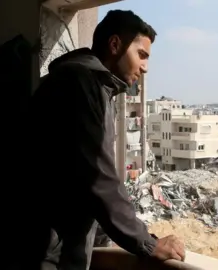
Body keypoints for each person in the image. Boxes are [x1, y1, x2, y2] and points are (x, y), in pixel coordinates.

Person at [29, 10, 185, 270]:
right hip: (45, 253)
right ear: (115, 45)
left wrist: (103, 237)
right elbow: (99, 178)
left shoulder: (89, 85)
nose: (145, 67)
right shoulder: (80, 83)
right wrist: (147, 243)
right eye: (141, 55)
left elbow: (77, 178)